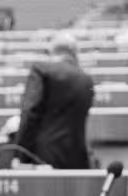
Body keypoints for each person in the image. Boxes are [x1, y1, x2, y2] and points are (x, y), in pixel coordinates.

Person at [15, 32, 95, 169]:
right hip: (78, 161)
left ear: (52, 51)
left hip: (43, 159)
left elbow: (30, 112)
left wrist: (21, 155)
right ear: (75, 53)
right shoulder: (87, 80)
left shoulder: (41, 70)